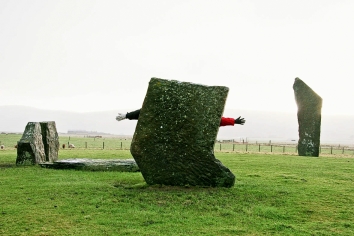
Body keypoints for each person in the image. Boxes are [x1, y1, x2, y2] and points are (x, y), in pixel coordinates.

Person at [116, 109, 246, 126]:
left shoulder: (194, 114)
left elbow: (213, 120)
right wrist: (127, 116)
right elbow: (147, 112)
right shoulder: (168, 111)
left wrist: (233, 121)